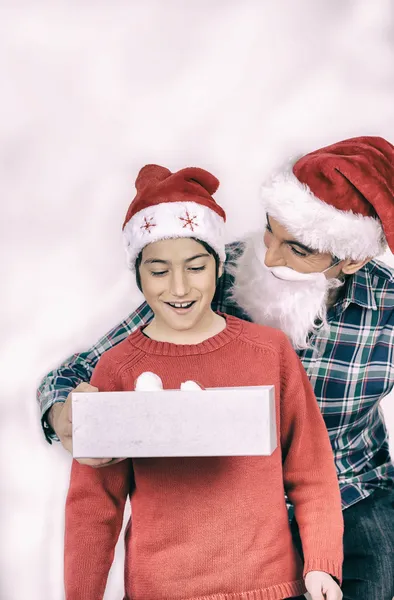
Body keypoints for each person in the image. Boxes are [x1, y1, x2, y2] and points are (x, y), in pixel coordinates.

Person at [38, 136, 394, 599]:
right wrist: (64, 414)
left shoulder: (387, 309)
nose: (268, 257)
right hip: (237, 501)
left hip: (351, 488)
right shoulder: (210, 275)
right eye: (270, 230)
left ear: (352, 257)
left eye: (298, 250)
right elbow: (86, 370)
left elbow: (313, 471)